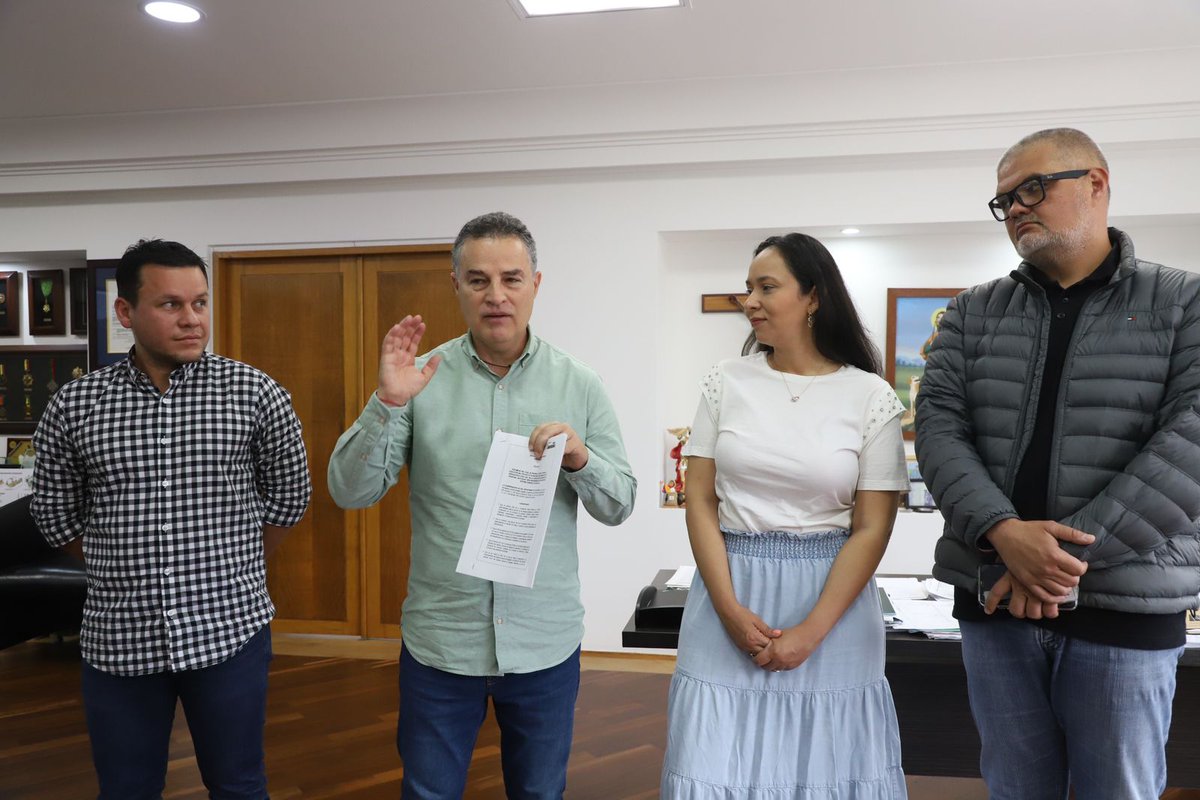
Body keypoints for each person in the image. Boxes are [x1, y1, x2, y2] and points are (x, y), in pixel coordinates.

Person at [916, 128, 1200, 800]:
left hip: (1123, 607)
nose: (1015, 208)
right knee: (1015, 789)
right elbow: (936, 429)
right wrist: (1003, 534)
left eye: (1032, 188)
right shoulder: (970, 312)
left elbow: (1189, 448)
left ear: (1097, 183)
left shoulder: (1185, 304)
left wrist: (1056, 561)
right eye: (1004, 200)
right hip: (993, 597)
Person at [327, 211, 636, 800]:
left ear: (536, 286)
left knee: (539, 794)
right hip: (442, 645)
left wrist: (579, 460)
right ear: (456, 285)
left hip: (544, 643)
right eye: (478, 280)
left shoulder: (581, 384)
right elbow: (349, 491)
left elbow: (620, 504)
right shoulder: (420, 380)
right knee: (428, 793)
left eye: (512, 279)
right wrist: (387, 404)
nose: (496, 296)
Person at [31, 238, 312, 799]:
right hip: (119, 638)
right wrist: (123, 562)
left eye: (200, 303)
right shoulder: (76, 405)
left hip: (228, 632)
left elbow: (288, 500)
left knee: (238, 785)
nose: (192, 320)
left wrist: (231, 561)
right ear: (125, 311)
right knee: (127, 789)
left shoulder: (254, 394)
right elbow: (56, 516)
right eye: (171, 305)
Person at [661, 233, 910, 799]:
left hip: (832, 605)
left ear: (813, 297)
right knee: (713, 762)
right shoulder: (725, 381)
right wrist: (725, 608)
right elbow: (699, 499)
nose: (750, 300)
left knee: (824, 770)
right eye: (747, 288)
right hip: (729, 588)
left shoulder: (869, 396)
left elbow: (873, 527)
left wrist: (810, 632)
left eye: (766, 287)